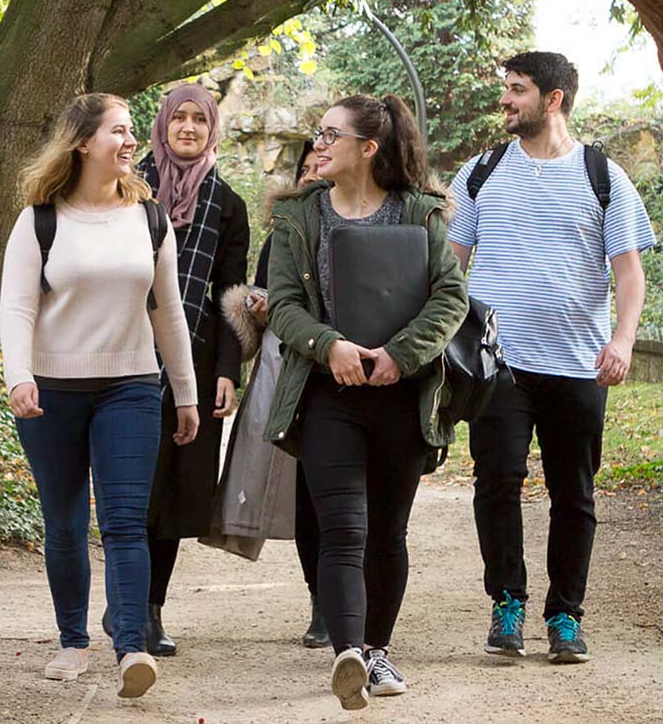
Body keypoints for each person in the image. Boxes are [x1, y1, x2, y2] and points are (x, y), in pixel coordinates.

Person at [448, 51, 656, 664]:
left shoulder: (603, 175)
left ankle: (566, 615)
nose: (506, 101)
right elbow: (449, 269)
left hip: (578, 366)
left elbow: (629, 273)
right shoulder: (479, 173)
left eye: (517, 90)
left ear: (554, 99)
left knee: (574, 493)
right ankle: (506, 603)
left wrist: (621, 340)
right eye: (506, 89)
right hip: (498, 364)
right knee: (498, 482)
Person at [264, 94, 468, 709]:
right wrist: (329, 346)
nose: (318, 145)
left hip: (404, 399)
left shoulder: (423, 211)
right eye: (318, 133)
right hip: (328, 395)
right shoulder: (298, 215)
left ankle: (378, 650)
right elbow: (280, 305)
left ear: (368, 148)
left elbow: (450, 298)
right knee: (342, 529)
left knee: (387, 530)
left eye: (331, 134)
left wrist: (398, 355)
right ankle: (349, 653)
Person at [0, 93, 200, 697]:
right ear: (84, 142)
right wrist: (19, 376)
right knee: (63, 521)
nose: (131, 140)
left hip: (131, 388)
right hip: (51, 391)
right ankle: (72, 642)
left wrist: (184, 393)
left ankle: (132, 648)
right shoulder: (40, 219)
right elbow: (16, 306)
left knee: (124, 522)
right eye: (119, 130)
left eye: (133, 130)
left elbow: (168, 314)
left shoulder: (149, 218)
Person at [125, 83, 250, 656]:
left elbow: (231, 295)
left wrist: (228, 370)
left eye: (200, 120)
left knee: (176, 489)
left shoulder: (227, 203)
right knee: (135, 484)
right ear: (163, 124)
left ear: (212, 129)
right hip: (123, 356)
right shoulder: (126, 190)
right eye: (180, 118)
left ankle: (150, 610)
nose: (189, 129)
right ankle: (127, 602)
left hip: (193, 367)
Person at [221, 139, 329, 647]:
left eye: (320, 166)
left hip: (343, 374)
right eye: (304, 168)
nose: (310, 176)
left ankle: (347, 599)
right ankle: (321, 601)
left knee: (342, 498)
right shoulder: (281, 236)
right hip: (290, 373)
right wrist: (257, 307)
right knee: (308, 493)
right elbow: (260, 294)